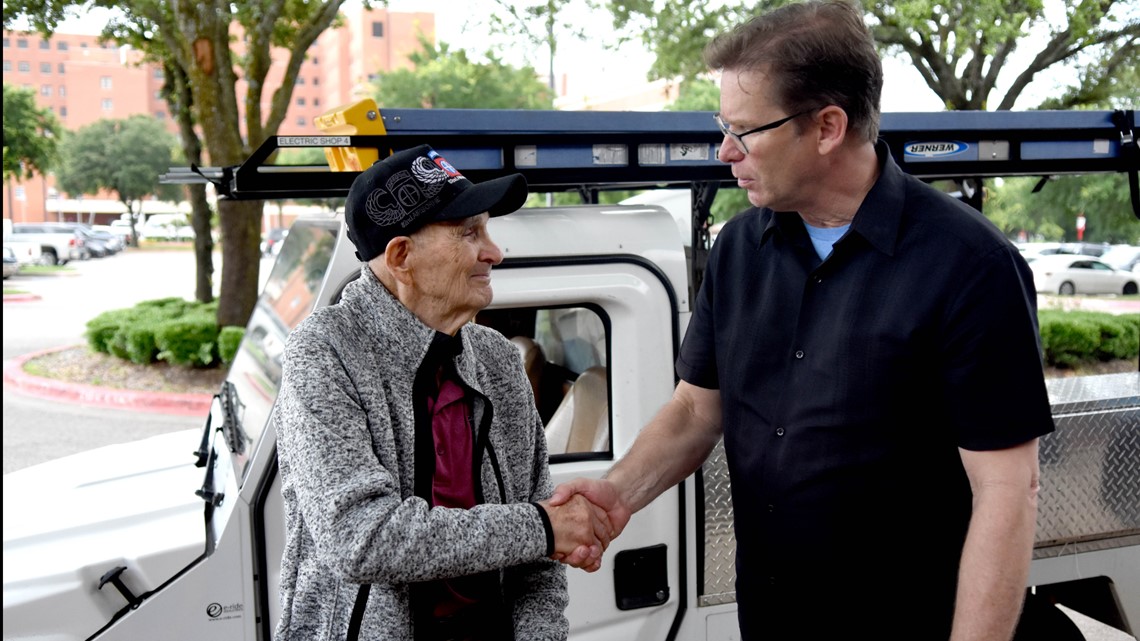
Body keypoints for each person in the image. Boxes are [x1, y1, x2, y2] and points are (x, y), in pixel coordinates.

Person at [551, 2, 1054, 639]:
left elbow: (1008, 489)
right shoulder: (737, 250)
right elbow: (696, 410)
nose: (725, 150)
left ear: (827, 127)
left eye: (745, 130)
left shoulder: (971, 267)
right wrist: (617, 494)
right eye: (721, 125)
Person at [273, 144, 611, 641]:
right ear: (401, 256)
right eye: (469, 233)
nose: (494, 252)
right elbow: (359, 538)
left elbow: (541, 554)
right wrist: (539, 527)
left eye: (488, 231)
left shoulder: (496, 359)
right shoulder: (323, 353)